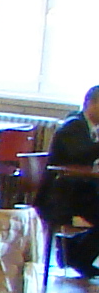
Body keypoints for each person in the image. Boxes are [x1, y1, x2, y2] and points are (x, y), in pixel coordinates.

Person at [42, 84, 99, 277]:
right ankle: (77, 255)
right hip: (63, 195)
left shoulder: (90, 128)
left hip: (82, 190)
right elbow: (78, 155)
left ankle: (74, 250)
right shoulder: (73, 126)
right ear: (92, 104)